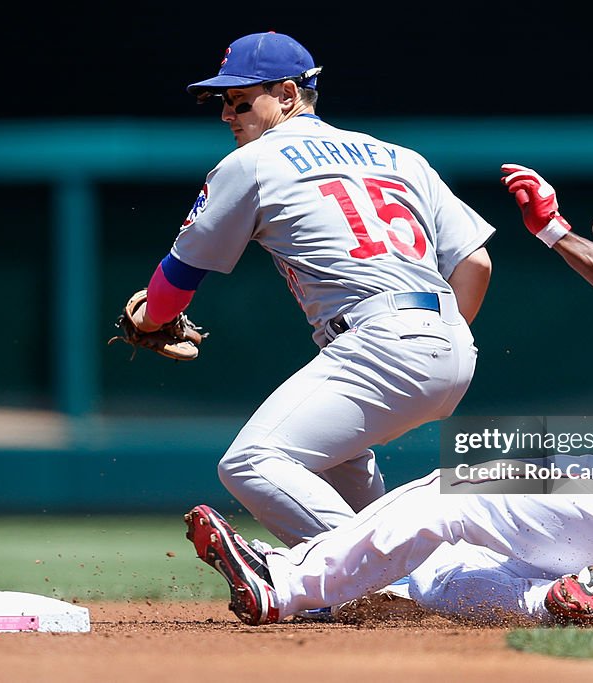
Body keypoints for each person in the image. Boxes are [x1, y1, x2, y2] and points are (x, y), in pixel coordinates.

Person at [183, 166, 593, 626]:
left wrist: (556, 234)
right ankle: (551, 601)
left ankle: (281, 584)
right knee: (452, 574)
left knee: (446, 493)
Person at [125, 31, 494, 547]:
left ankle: (384, 585)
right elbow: (475, 263)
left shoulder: (253, 162)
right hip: (445, 338)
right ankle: (471, 585)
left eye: (239, 101)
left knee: (252, 462)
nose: (227, 115)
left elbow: (179, 277)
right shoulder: (401, 156)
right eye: (223, 103)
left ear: (287, 95)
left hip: (381, 341)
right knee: (330, 472)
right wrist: (433, 336)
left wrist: (150, 318)